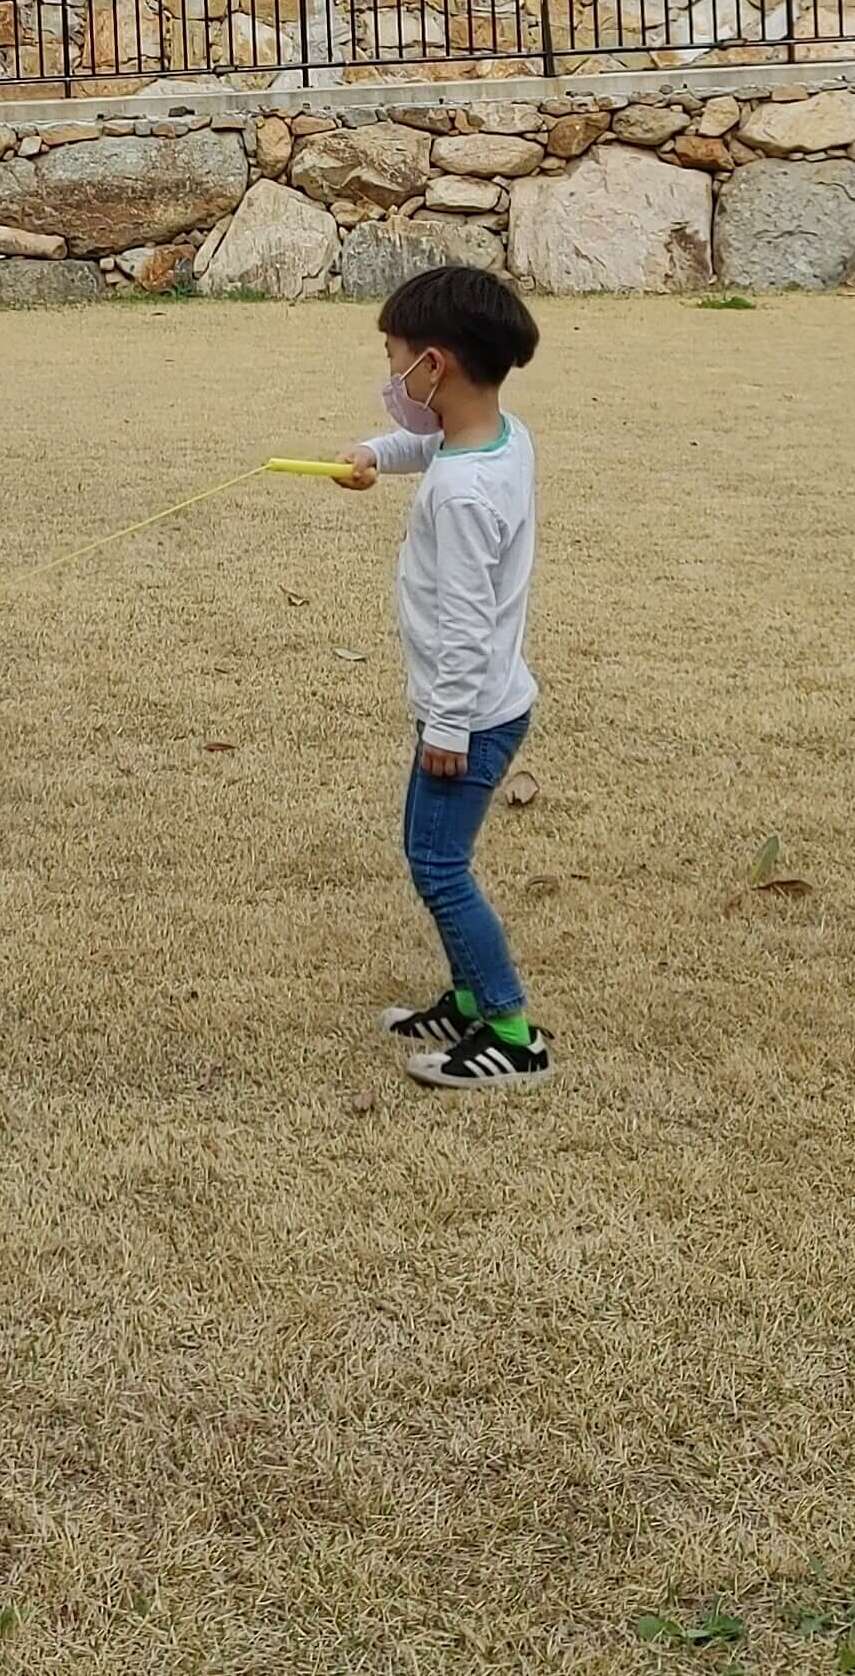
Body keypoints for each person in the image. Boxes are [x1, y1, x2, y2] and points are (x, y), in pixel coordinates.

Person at [332, 262, 548, 1091]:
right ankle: (465, 1000)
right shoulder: (500, 437)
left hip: (471, 713)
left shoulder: (461, 495)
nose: (390, 378)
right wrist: (375, 454)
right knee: (434, 856)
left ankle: (508, 1028)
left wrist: (448, 727)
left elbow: (462, 624)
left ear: (435, 367)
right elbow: (431, 442)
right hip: (488, 701)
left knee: (437, 864)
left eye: (395, 360)